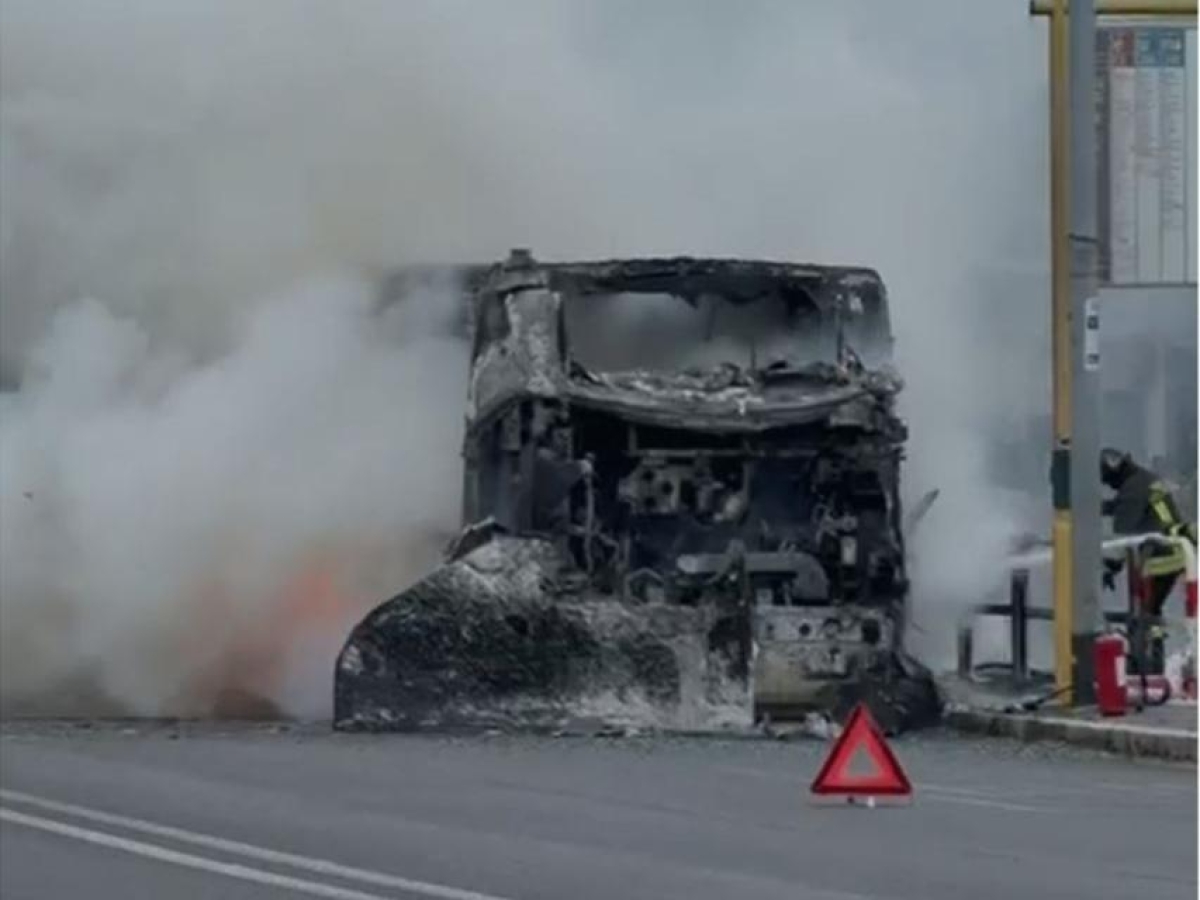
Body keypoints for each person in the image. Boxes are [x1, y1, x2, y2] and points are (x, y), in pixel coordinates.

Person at [1100, 448, 1197, 673]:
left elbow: (1123, 537)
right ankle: (1152, 660)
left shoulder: (1131, 491)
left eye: (1107, 478)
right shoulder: (1143, 479)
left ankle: (1150, 665)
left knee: (1147, 611)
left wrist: (1111, 567)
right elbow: (1127, 505)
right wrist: (1101, 508)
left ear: (1115, 472)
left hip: (1160, 557)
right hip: (1176, 549)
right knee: (1152, 608)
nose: (1108, 485)